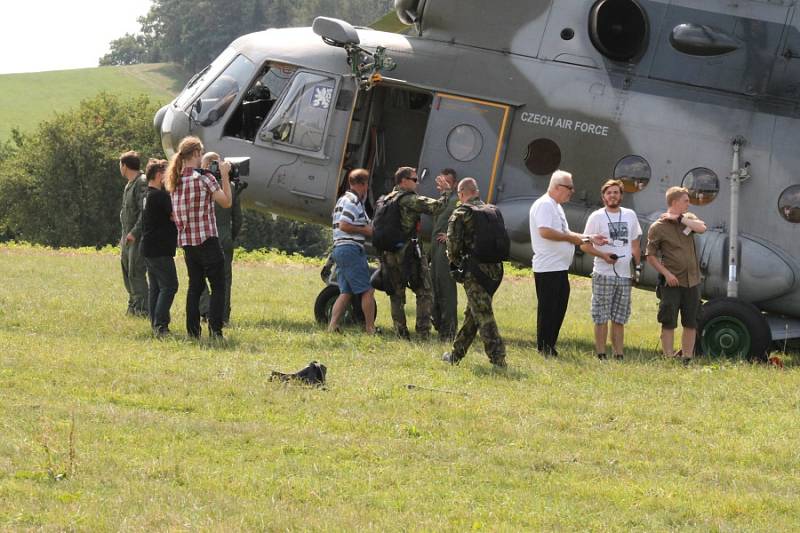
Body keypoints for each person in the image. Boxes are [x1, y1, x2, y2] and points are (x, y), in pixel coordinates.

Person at [529, 170, 606, 357]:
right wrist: (573, 239)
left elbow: (567, 232)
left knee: (558, 306)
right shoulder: (545, 205)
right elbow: (545, 232)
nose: (572, 191)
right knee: (548, 309)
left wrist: (588, 238)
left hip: (559, 267)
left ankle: (550, 345)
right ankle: (544, 348)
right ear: (556, 187)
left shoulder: (556, 206)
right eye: (569, 187)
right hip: (548, 268)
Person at [165, 136, 232, 340]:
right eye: (201, 153)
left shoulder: (175, 181)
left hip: (188, 243)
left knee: (195, 287)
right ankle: (215, 331)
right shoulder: (206, 179)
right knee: (218, 286)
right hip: (207, 240)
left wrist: (205, 165)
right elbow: (226, 202)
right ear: (195, 154)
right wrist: (224, 175)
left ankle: (193, 332)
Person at [380, 166, 452, 340]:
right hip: (408, 254)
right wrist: (447, 192)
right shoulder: (408, 199)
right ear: (403, 181)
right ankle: (423, 333)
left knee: (396, 294)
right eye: (414, 179)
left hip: (388, 253)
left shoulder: (386, 199)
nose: (417, 183)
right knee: (424, 291)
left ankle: (400, 333)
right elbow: (437, 207)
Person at [441, 178, 506, 367]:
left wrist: (456, 264)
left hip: (475, 271)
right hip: (495, 270)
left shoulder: (461, 212)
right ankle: (456, 354)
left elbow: (452, 246)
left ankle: (498, 358)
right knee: (473, 313)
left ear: (461, 194)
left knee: (483, 314)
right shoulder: (492, 211)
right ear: (476, 191)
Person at [581, 179, 642, 360]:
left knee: (619, 317)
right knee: (601, 316)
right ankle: (601, 354)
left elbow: (635, 245)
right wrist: (603, 256)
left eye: (616, 192)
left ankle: (618, 354)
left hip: (624, 275)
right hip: (603, 273)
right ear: (603, 197)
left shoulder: (630, 215)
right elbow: (584, 245)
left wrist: (637, 268)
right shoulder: (596, 217)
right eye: (609, 193)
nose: (613, 196)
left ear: (621, 196)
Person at [646, 186, 707, 363]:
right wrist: (667, 274)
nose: (689, 203)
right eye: (685, 201)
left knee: (691, 321)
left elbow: (702, 228)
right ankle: (668, 357)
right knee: (668, 320)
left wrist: (680, 218)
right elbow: (650, 256)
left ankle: (687, 358)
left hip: (692, 281)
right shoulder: (658, 227)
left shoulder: (688, 219)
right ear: (674, 202)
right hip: (671, 283)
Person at [327, 168, 377, 334]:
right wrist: (366, 231)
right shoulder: (353, 202)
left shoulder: (344, 199)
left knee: (346, 292)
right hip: (350, 249)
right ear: (363, 184)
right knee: (368, 290)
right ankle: (370, 328)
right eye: (367, 184)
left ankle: (332, 326)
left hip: (340, 249)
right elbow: (344, 225)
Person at [198, 152, 243, 325]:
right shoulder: (230, 186)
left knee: (199, 275)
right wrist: (230, 236)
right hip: (224, 236)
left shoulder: (200, 184)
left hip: (203, 236)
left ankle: (206, 309)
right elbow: (237, 218)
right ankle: (223, 315)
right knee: (224, 279)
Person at [141, 159, 178, 337]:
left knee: (156, 287)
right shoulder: (161, 197)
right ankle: (161, 325)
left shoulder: (146, 195)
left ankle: (155, 323)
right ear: (159, 175)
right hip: (160, 249)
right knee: (170, 286)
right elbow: (175, 216)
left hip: (148, 248)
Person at [429, 168, 459, 342]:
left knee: (446, 290)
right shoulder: (442, 200)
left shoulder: (456, 200)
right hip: (435, 250)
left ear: (454, 184)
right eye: (442, 181)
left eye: (448, 182)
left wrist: (451, 237)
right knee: (435, 288)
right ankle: (440, 325)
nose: (443, 184)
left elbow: (467, 219)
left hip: (445, 250)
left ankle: (449, 331)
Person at [119, 150, 149, 317]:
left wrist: (134, 233)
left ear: (125, 166)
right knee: (126, 272)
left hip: (136, 238)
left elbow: (144, 213)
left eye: (120, 165)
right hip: (126, 237)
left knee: (136, 272)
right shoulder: (129, 184)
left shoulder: (141, 183)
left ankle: (143, 309)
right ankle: (133, 305)